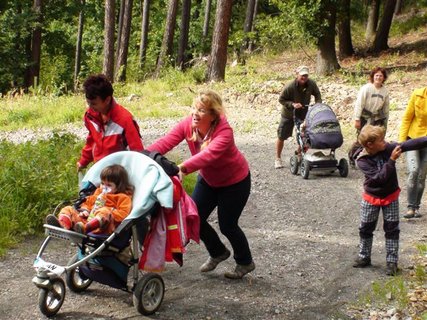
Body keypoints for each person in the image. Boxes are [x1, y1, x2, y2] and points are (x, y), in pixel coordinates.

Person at [146, 89, 255, 279]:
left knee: (227, 224)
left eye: (202, 110)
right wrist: (143, 155)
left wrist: (181, 168)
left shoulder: (224, 132)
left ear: (213, 115)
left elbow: (208, 155)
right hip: (208, 181)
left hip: (234, 183)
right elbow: (166, 142)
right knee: (193, 217)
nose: (195, 113)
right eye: (194, 108)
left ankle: (245, 262)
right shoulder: (189, 125)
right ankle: (218, 252)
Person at [353, 125, 427, 276]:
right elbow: (379, 179)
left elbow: (409, 144)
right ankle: (364, 257)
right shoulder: (362, 160)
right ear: (370, 145)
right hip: (371, 197)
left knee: (392, 230)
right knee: (366, 228)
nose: (385, 142)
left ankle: (392, 262)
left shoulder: (387, 148)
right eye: (381, 140)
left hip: (390, 196)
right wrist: (392, 160)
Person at [77, 74, 144, 170]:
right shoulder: (90, 116)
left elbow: (138, 152)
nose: (90, 107)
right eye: (88, 103)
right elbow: (92, 140)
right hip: (100, 171)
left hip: (119, 175)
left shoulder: (125, 119)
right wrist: (83, 161)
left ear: (107, 100)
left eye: (94, 104)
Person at [46, 164, 134, 234]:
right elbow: (88, 202)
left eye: (109, 185)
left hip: (103, 226)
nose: (104, 187)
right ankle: (62, 224)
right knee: (68, 209)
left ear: (118, 186)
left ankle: (85, 228)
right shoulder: (99, 192)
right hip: (87, 219)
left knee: (104, 212)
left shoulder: (123, 198)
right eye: (102, 183)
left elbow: (123, 214)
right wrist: (85, 210)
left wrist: (109, 210)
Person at [275, 65, 322, 169]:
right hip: (288, 114)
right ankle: (278, 158)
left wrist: (318, 104)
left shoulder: (311, 84)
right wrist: (292, 104)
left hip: (303, 113)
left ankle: (299, 154)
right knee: (281, 135)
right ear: (297, 75)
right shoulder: (290, 86)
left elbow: (318, 95)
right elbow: (281, 99)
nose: (304, 78)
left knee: (304, 135)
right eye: (302, 75)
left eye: (306, 75)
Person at [348, 67, 390, 167]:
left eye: (381, 76)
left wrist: (385, 121)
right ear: (373, 77)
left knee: (376, 141)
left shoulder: (385, 91)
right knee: (362, 140)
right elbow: (359, 104)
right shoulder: (366, 88)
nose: (378, 77)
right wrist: (357, 119)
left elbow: (386, 107)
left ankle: (375, 160)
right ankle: (352, 156)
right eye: (376, 75)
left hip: (377, 118)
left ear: (384, 78)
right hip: (364, 117)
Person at [398, 87, 427, 219]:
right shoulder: (417, 94)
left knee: (421, 176)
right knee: (413, 171)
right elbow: (407, 118)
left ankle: (416, 207)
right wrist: (401, 143)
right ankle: (410, 207)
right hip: (413, 139)